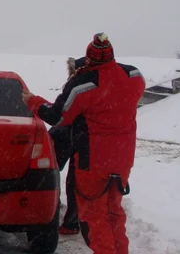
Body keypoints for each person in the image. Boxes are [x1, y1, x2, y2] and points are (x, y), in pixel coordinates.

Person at [22, 33, 145, 254]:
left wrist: (33, 101)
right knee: (114, 212)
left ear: (88, 58)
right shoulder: (134, 76)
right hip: (123, 160)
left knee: (94, 217)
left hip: (93, 162)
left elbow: (57, 117)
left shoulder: (84, 84)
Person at [48, 56, 87, 235]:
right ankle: (73, 218)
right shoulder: (85, 84)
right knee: (73, 178)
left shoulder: (76, 85)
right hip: (77, 135)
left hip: (68, 134)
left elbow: (62, 111)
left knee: (60, 175)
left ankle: (70, 220)